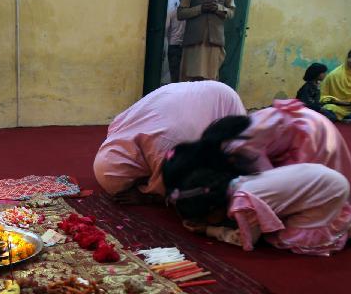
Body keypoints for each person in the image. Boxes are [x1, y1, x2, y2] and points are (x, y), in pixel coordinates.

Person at [162, 122, 351, 256]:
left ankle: (349, 228)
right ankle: (337, 216)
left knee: (281, 239)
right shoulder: (238, 182)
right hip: (322, 179)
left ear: (213, 210)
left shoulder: (243, 203)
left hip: (329, 190)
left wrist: (208, 230)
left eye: (205, 218)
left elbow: (246, 240)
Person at [92, 81, 246, 203]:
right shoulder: (127, 136)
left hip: (219, 98)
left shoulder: (168, 144)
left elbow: (174, 181)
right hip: (183, 98)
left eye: (139, 182)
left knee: (236, 153)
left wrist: (149, 195)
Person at [230, 99, 351, 207]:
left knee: (301, 186)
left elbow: (271, 180)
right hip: (305, 124)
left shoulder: (244, 147)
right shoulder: (241, 138)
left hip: (309, 133)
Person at [177, 0, 235, 82]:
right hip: (193, 44)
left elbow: (231, 12)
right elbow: (181, 13)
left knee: (210, 83)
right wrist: (201, 8)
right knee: (188, 83)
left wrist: (218, 8)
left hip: (214, 44)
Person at [321, 47, 351, 120]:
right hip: (337, 106)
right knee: (328, 107)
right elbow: (323, 96)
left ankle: (349, 117)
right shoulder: (334, 74)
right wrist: (337, 101)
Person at [164, 2, 185, 83]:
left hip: (173, 45)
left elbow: (166, 28)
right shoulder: (189, 15)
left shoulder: (172, 12)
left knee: (174, 73)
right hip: (185, 46)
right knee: (183, 73)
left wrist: (169, 38)